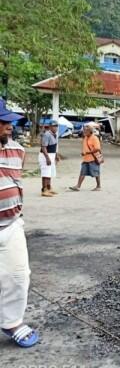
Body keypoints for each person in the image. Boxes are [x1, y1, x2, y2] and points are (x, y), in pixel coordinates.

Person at [0, 100, 39, 348]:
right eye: (3, 122)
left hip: (11, 223)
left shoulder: (17, 151)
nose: (9, 127)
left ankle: (11, 321)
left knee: (18, 275)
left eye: (9, 122)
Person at [69, 125, 102, 191]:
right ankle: (78, 186)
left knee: (96, 172)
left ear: (90, 131)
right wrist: (83, 152)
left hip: (93, 159)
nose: (84, 131)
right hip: (85, 159)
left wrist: (87, 152)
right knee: (82, 172)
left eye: (86, 130)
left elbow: (97, 149)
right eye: (84, 130)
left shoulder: (94, 138)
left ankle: (98, 186)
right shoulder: (85, 138)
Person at [39, 120, 59, 197]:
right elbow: (43, 147)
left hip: (52, 155)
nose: (55, 128)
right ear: (50, 127)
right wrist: (47, 158)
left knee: (50, 173)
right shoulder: (46, 134)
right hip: (45, 155)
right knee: (45, 173)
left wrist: (56, 155)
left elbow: (55, 146)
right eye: (54, 126)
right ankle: (44, 190)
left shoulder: (55, 134)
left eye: (56, 126)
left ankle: (49, 187)